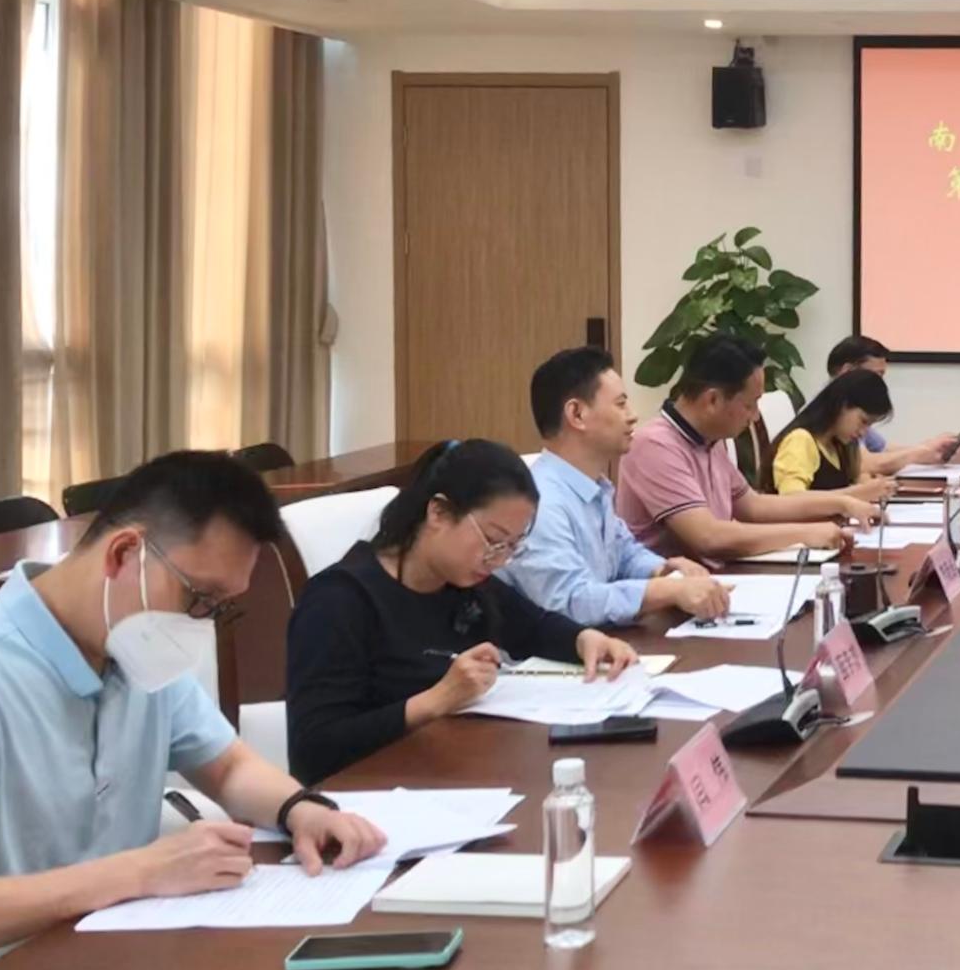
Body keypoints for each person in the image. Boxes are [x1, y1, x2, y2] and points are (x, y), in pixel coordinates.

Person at [0, 452, 385, 960]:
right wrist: (139, 871)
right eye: (199, 597)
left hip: (119, 957)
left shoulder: (133, 653)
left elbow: (227, 765)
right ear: (123, 554)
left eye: (219, 608)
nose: (200, 623)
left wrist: (299, 809)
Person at [287, 440, 637, 786]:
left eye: (512, 547)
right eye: (492, 540)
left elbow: (534, 627)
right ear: (438, 512)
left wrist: (584, 639)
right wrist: (436, 700)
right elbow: (313, 751)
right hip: (374, 792)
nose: (498, 560)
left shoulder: (464, 582)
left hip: (454, 770)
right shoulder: (338, 600)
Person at [500, 347, 731, 626]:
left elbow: (624, 554)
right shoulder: (542, 503)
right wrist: (667, 590)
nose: (633, 416)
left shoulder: (593, 486)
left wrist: (663, 570)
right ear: (577, 414)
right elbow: (569, 601)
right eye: (620, 404)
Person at [616, 335, 881, 562]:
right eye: (750, 405)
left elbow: (753, 506)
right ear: (712, 400)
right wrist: (804, 533)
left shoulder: (709, 440)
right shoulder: (655, 445)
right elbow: (708, 537)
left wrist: (842, 503)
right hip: (671, 595)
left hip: (714, 582)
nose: (755, 417)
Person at [825, 335, 958, 475]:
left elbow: (881, 449)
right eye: (876, 375)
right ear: (847, 372)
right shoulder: (830, 411)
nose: (879, 384)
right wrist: (919, 453)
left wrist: (929, 447)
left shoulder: (853, 407)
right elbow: (864, 465)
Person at [772, 369, 900, 500]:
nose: (863, 433)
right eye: (863, 421)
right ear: (842, 405)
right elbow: (791, 498)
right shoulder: (800, 440)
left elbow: (854, 480)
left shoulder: (841, 445)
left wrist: (869, 485)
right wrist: (859, 492)